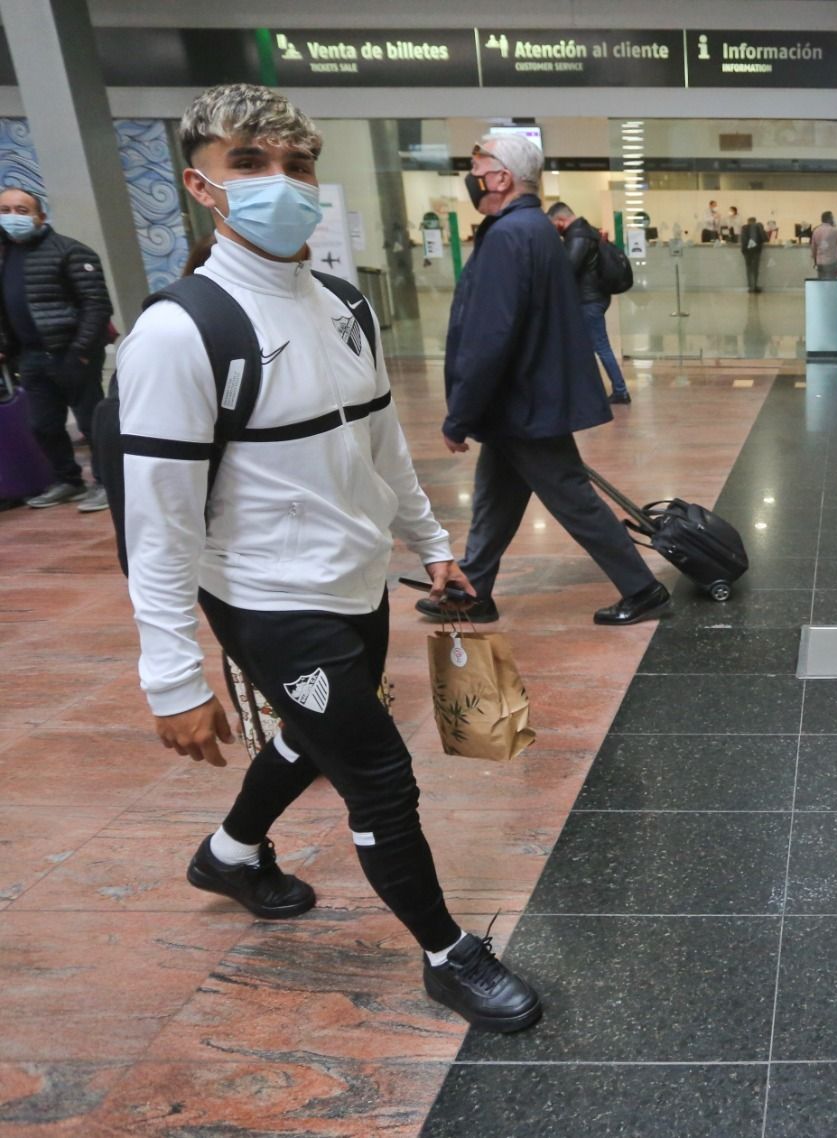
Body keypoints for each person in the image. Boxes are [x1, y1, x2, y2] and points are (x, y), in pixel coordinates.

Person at [115, 83, 542, 1034]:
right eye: (249, 164)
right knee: (378, 772)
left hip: (355, 579)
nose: (281, 182)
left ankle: (229, 854)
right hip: (267, 597)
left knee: (319, 734)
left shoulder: (346, 303)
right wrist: (172, 676)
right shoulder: (180, 333)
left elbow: (380, 442)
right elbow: (158, 524)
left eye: (297, 164)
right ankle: (448, 954)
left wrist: (433, 545)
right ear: (201, 185)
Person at [420, 133, 670, 628]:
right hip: (526, 397)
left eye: (478, 166)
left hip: (524, 400)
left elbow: (490, 334)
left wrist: (460, 415)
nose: (471, 175)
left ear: (501, 177)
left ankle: (643, 589)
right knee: (496, 496)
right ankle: (475, 587)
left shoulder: (510, 234)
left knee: (572, 498)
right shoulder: (532, 227)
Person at [0, 187, 113, 511]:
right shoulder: (5, 256)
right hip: (30, 356)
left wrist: (81, 351)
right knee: (43, 425)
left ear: (41, 217)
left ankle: (107, 483)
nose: (12, 217)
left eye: (22, 211)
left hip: (71, 352)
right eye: (5, 210)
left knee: (91, 424)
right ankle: (68, 481)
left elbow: (96, 305)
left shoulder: (70, 252)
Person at [547, 202, 629, 405]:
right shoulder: (588, 231)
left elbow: (567, 269)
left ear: (561, 220)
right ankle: (585, 390)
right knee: (586, 346)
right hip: (594, 297)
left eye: (553, 225)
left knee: (600, 345)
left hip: (589, 300)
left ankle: (620, 390)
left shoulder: (578, 236)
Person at [740, 211, 768, 292]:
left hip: (747, 251)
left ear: (748, 221)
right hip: (756, 250)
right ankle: (754, 286)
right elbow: (765, 239)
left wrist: (745, 249)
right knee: (755, 269)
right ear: (755, 221)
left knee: (749, 269)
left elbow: (742, 240)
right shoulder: (759, 227)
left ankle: (750, 287)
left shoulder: (744, 228)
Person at [811, 211, 837, 280]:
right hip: (831, 262)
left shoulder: (816, 231)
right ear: (829, 219)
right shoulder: (835, 231)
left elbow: (813, 249)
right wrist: (835, 225)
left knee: (822, 282)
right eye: (832, 218)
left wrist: (815, 262)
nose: (833, 219)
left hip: (820, 263)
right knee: (832, 282)